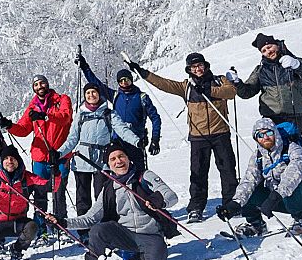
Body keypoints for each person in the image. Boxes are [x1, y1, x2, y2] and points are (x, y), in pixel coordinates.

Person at [128, 52, 237, 223]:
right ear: (189, 69)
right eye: (194, 67)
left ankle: (231, 203)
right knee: (198, 173)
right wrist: (142, 72)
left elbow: (231, 92)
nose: (198, 69)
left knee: (228, 170)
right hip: (198, 136)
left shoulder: (219, 80)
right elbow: (164, 84)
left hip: (220, 133)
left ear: (205, 66)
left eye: (200, 65)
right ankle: (195, 208)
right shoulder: (186, 87)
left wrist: (208, 90)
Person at [61, 141, 179, 260]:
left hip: (149, 234)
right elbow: (91, 218)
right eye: (113, 159)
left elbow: (171, 196)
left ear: (128, 158)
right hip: (124, 235)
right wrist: (63, 222)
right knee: (98, 230)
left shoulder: (145, 176)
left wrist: (160, 200)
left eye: (121, 156)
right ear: (109, 165)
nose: (118, 161)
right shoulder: (109, 187)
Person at [216, 117, 302, 237]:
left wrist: (276, 196)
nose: (265, 138)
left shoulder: (293, 148)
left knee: (293, 185)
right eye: (260, 135)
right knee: (250, 189)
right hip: (277, 198)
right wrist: (235, 204)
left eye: (268, 133)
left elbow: (294, 173)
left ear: (275, 133)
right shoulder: (258, 156)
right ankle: (256, 224)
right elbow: (249, 180)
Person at [55, 83, 141, 223]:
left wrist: (137, 141)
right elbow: (72, 139)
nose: (91, 95)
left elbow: (122, 130)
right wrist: (59, 153)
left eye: (93, 92)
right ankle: (84, 230)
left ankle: (103, 226)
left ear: (99, 94)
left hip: (102, 162)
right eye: (88, 93)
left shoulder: (109, 113)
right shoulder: (81, 115)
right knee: (82, 198)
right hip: (82, 161)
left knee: (101, 196)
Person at [4, 74, 73, 222]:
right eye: (36, 85)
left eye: (42, 83)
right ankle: (41, 226)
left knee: (59, 192)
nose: (39, 86)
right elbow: (23, 129)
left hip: (60, 154)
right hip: (40, 156)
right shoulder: (32, 107)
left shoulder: (62, 100)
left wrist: (45, 115)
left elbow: (65, 118)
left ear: (47, 84)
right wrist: (10, 126)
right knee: (40, 192)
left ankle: (61, 222)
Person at [77, 54, 162, 161]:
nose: (124, 83)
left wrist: (155, 139)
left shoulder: (142, 97)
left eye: (126, 80)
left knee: (138, 173)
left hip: (137, 141)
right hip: (118, 141)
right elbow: (96, 83)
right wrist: (85, 67)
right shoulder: (115, 95)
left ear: (131, 80)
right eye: (121, 81)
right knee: (119, 174)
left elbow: (155, 118)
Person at [227, 33, 302, 135]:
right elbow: (247, 92)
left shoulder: (292, 61)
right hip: (272, 116)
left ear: (276, 45)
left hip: (296, 115)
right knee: (274, 149)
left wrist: (297, 65)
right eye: (264, 50)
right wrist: (237, 83)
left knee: (295, 147)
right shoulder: (261, 70)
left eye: (269, 47)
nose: (268, 51)